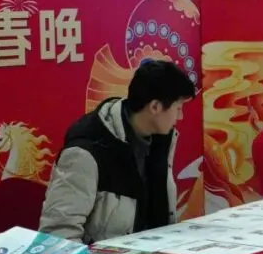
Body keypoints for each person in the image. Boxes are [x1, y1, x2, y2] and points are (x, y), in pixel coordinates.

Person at [40, 60, 196, 243]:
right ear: (155, 107)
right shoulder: (85, 153)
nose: (180, 116)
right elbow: (58, 235)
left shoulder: (158, 141)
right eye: (178, 108)